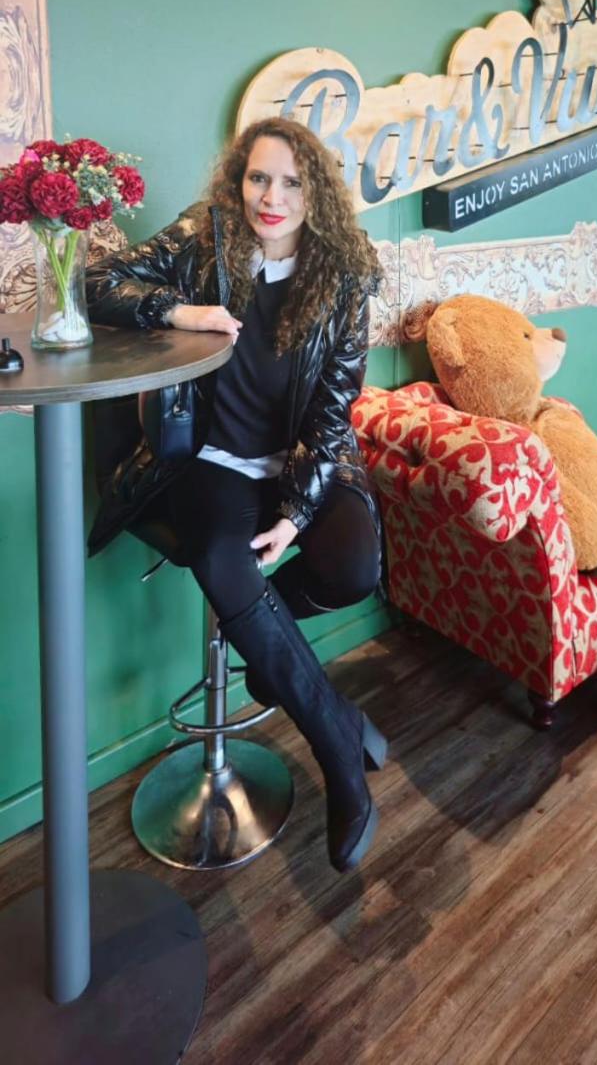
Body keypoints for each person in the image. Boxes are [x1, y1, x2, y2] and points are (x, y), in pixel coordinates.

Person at [85, 117, 386, 873]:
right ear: (238, 179)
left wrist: (296, 513)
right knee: (220, 558)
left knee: (354, 568)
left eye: (290, 182)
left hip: (301, 459)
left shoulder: (346, 273)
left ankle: (269, 653)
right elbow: (96, 283)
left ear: (316, 192)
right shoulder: (206, 234)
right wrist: (181, 312)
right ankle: (338, 745)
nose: (270, 198)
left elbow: (332, 410)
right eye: (257, 178)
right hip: (212, 460)